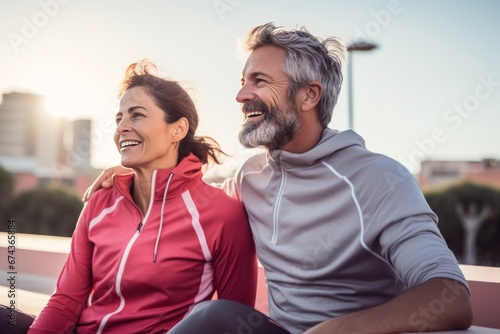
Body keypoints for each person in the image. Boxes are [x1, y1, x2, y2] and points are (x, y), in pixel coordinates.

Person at [85, 23, 473, 334]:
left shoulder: (380, 179)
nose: (241, 95)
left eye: (259, 81)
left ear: (308, 96)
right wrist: (139, 174)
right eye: (243, 80)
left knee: (215, 317)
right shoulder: (250, 177)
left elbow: (451, 296)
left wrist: (336, 329)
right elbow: (192, 203)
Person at [1, 60, 257, 334]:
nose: (122, 127)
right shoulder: (101, 201)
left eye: (136, 115)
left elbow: (233, 317)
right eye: (119, 118)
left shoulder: (221, 214)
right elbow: (67, 300)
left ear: (178, 130)